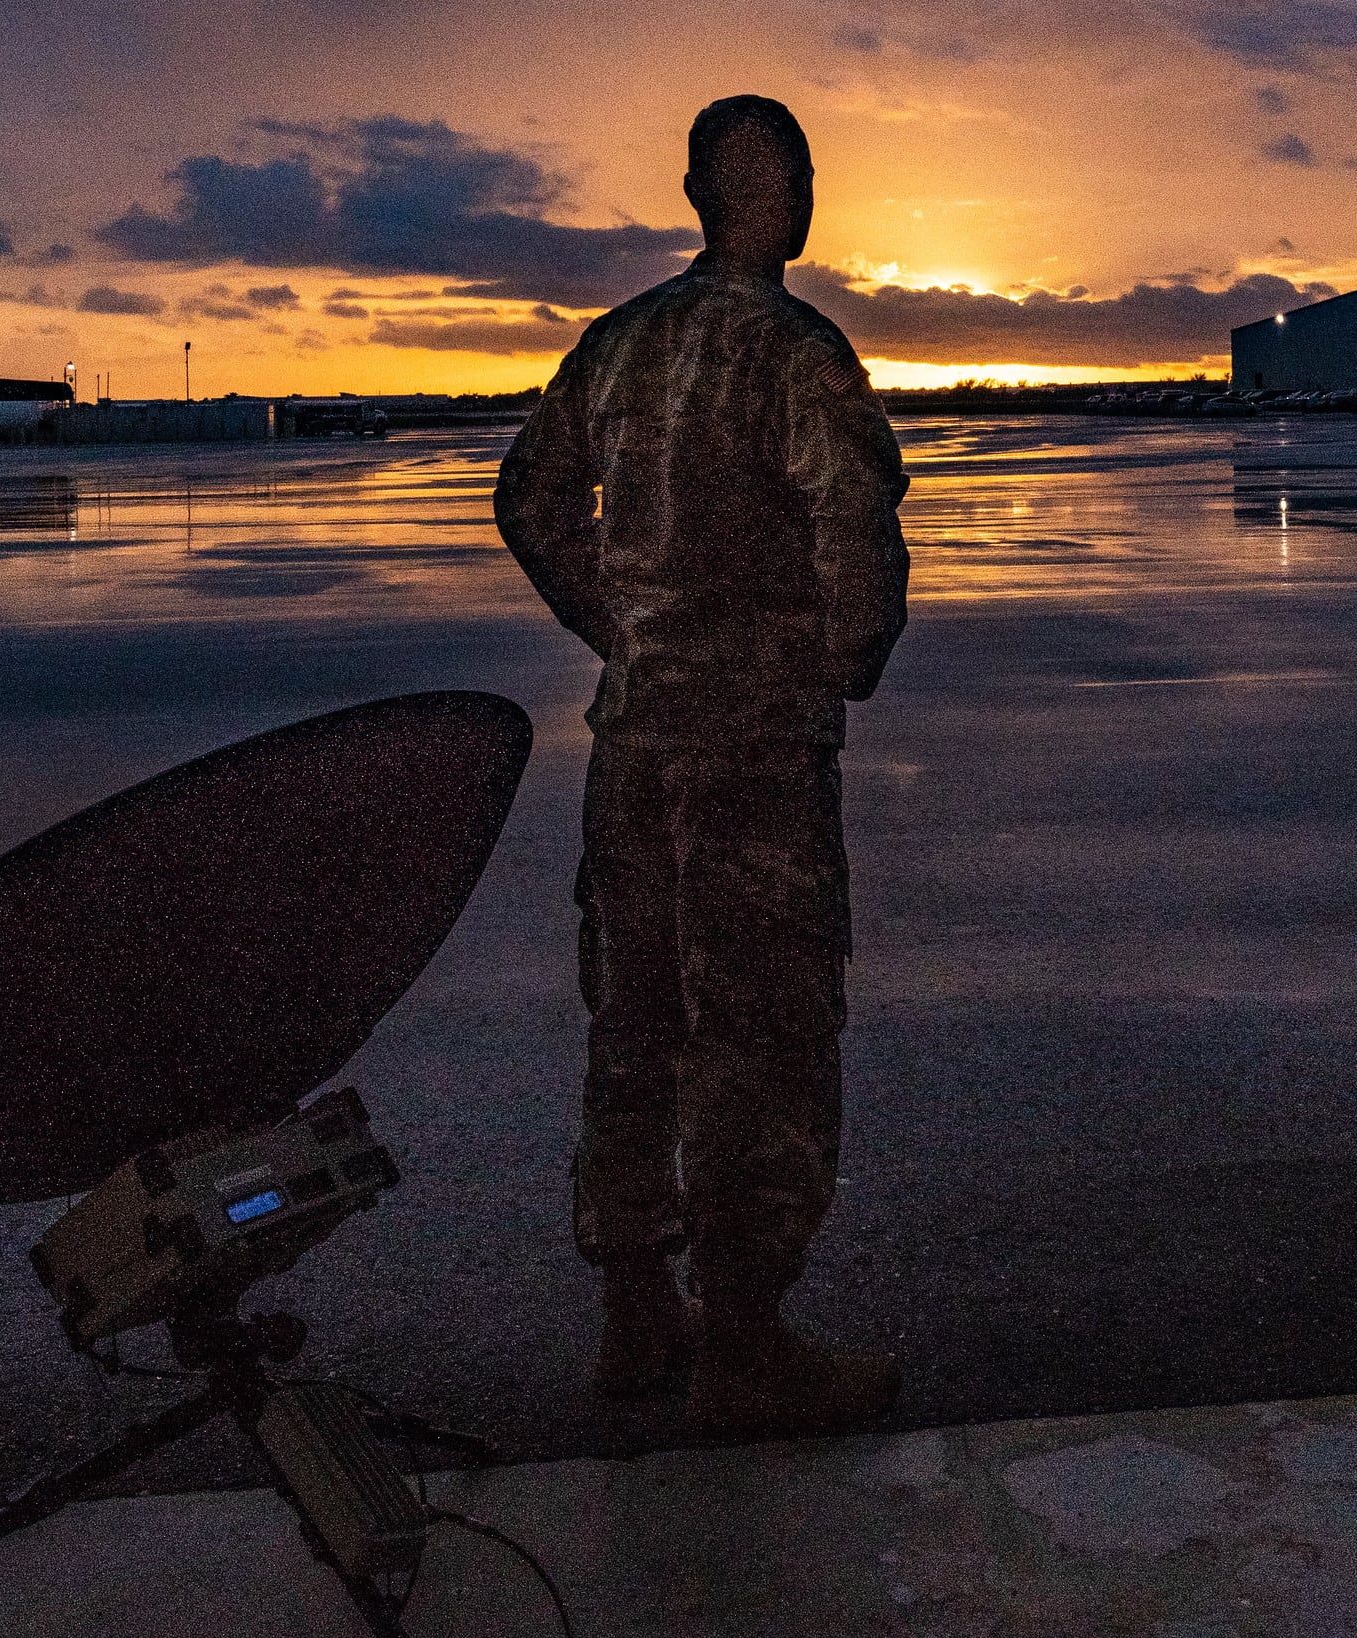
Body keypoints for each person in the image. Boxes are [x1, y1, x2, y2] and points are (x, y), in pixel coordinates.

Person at [493, 95, 911, 1436]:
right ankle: (743, 1336)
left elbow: (530, 499)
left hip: (636, 741)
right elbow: (856, 522)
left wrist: (613, 623)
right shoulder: (796, 353)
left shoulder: (618, 345)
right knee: (759, 1034)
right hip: (751, 755)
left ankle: (634, 1311)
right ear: (777, 195)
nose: (794, 194)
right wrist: (846, 650)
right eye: (789, 176)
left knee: (634, 1024)